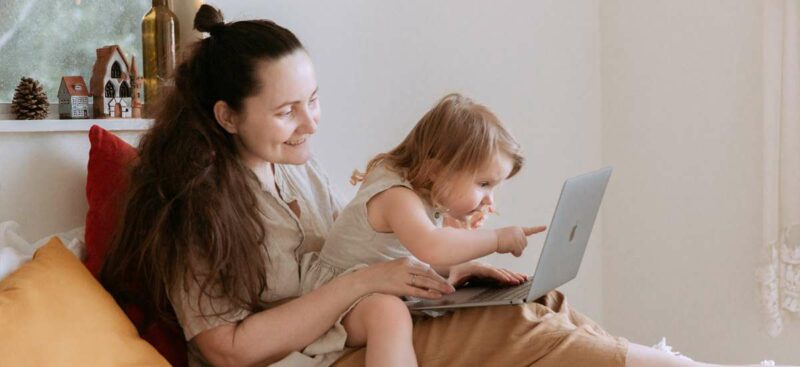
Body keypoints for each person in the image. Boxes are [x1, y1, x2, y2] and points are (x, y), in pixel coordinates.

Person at [99, 4, 794, 367]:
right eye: (287, 111)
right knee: (514, 326)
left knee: (531, 299)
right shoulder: (194, 208)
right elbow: (228, 349)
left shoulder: (293, 167)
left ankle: (666, 359)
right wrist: (361, 288)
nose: (311, 122)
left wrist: (438, 269)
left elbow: (344, 255)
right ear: (225, 116)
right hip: (300, 360)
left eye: (313, 100)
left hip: (352, 330)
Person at [299, 92, 546, 366]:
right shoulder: (396, 196)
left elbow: (423, 251)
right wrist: (497, 239)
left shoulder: (424, 191)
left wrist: (463, 244)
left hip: (375, 286)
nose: (490, 199)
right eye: (484, 184)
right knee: (388, 313)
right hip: (337, 300)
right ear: (435, 171)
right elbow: (432, 247)